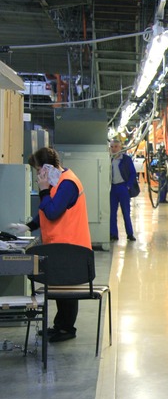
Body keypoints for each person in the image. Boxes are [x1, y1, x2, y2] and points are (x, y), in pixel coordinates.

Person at [9, 147, 91, 343]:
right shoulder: (57, 183)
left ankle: (67, 329)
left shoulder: (68, 183)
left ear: (47, 168)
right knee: (60, 287)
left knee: (66, 289)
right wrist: (28, 226)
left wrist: (44, 190)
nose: (38, 175)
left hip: (72, 246)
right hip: (59, 245)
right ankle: (59, 325)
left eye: (38, 170)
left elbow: (53, 211)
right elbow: (46, 211)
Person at [109, 139, 137, 241]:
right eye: (112, 147)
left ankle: (130, 234)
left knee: (126, 212)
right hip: (112, 189)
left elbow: (133, 173)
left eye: (116, 146)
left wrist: (128, 186)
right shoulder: (109, 159)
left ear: (120, 147)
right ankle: (113, 234)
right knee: (112, 212)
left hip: (123, 188)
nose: (113, 149)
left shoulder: (126, 159)